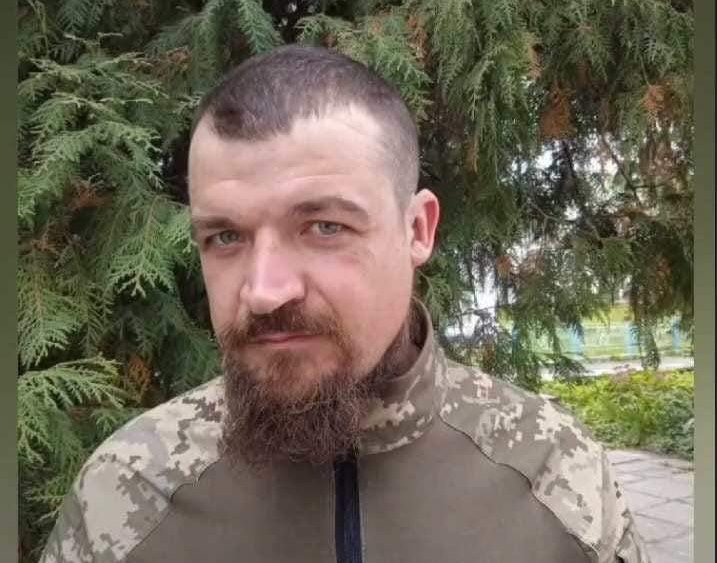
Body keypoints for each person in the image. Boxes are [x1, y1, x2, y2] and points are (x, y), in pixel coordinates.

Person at [40, 44, 651, 563]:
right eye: (225, 237)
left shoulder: (554, 476)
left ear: (417, 230)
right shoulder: (128, 491)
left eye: (324, 227)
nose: (264, 290)